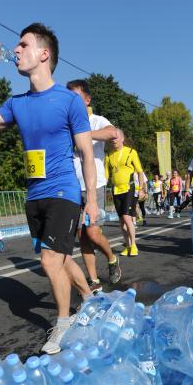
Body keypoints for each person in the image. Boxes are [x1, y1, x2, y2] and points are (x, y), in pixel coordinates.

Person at [0, 22, 98, 354]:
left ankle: (63, 322)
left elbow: (86, 152)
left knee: (49, 260)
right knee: (59, 256)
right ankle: (87, 296)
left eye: (23, 45)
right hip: (35, 195)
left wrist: (93, 200)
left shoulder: (69, 101)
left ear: (44, 54)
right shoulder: (17, 103)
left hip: (64, 193)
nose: (15, 50)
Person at [66, 79, 121, 292]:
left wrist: (84, 135)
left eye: (76, 97)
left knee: (93, 232)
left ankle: (112, 257)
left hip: (94, 185)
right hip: (72, 186)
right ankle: (94, 280)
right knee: (82, 236)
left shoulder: (96, 120)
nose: (72, 102)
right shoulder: (66, 124)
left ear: (87, 100)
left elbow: (112, 133)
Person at [104, 129, 145, 256]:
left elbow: (140, 172)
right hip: (116, 190)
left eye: (116, 138)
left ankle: (133, 245)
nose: (113, 140)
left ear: (122, 138)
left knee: (127, 217)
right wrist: (101, 190)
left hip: (129, 188)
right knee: (121, 221)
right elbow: (106, 175)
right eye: (112, 139)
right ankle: (127, 246)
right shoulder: (109, 155)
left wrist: (141, 189)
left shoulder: (131, 152)